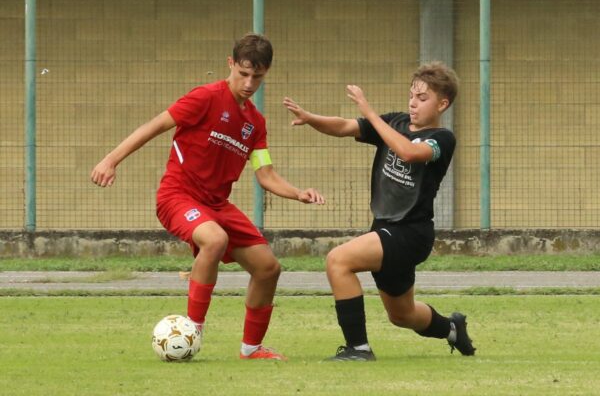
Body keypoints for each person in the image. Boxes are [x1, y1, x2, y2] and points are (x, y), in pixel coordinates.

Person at [91, 33, 325, 361]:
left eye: (257, 77)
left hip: (217, 205)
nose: (248, 83)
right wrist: (110, 159)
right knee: (214, 240)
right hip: (178, 196)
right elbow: (154, 126)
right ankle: (192, 330)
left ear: (266, 73)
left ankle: (251, 349)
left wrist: (298, 193)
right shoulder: (205, 98)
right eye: (243, 74)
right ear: (230, 64)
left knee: (269, 268)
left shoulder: (255, 123)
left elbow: (265, 174)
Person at [283, 62, 475, 361]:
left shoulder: (442, 138)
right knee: (402, 315)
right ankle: (453, 329)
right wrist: (310, 118)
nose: (413, 103)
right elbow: (345, 126)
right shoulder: (395, 123)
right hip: (385, 228)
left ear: (442, 103)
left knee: (338, 261)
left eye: (422, 98)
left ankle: (357, 349)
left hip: (410, 233)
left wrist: (369, 110)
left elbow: (409, 152)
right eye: (412, 95)